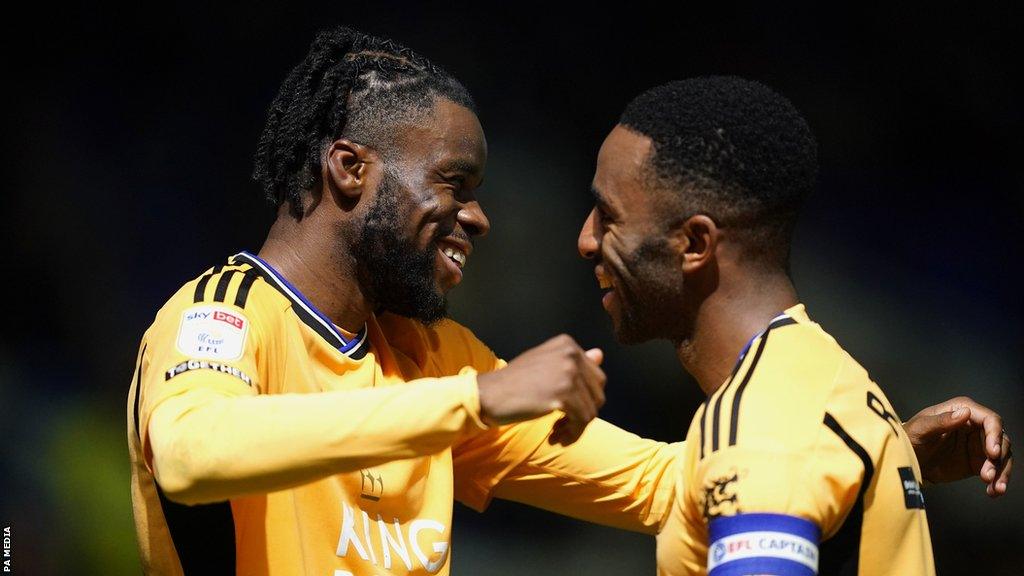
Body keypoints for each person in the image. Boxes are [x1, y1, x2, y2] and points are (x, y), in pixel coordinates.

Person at [127, 28, 1010, 575]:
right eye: (453, 181)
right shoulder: (224, 316)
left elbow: (672, 485)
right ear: (349, 169)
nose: (476, 214)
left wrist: (861, 451)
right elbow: (192, 455)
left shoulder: (432, 358)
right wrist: (473, 404)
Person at [576, 76, 1013, 575]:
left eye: (608, 216)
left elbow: (771, 451)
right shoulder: (830, 380)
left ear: (695, 244)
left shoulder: (760, 426)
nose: (586, 240)